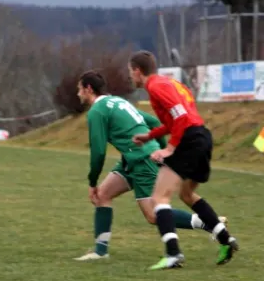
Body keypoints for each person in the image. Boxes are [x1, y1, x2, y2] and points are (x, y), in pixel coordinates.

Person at [74, 70, 228, 261]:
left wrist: (91, 182)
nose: (78, 94)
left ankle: (209, 223)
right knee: (103, 195)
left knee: (153, 216)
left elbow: (98, 152)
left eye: (79, 89)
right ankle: (100, 251)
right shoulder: (118, 102)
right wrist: (160, 148)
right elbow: (153, 122)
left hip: (142, 160)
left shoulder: (97, 111)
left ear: (89, 89)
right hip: (132, 159)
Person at [128, 50, 239, 270]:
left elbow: (180, 117)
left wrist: (170, 148)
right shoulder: (169, 83)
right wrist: (150, 136)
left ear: (138, 71)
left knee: (159, 197)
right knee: (186, 194)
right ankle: (226, 239)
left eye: (130, 72)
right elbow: (178, 118)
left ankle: (173, 254)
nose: (130, 77)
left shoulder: (155, 86)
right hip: (201, 136)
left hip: (188, 139)